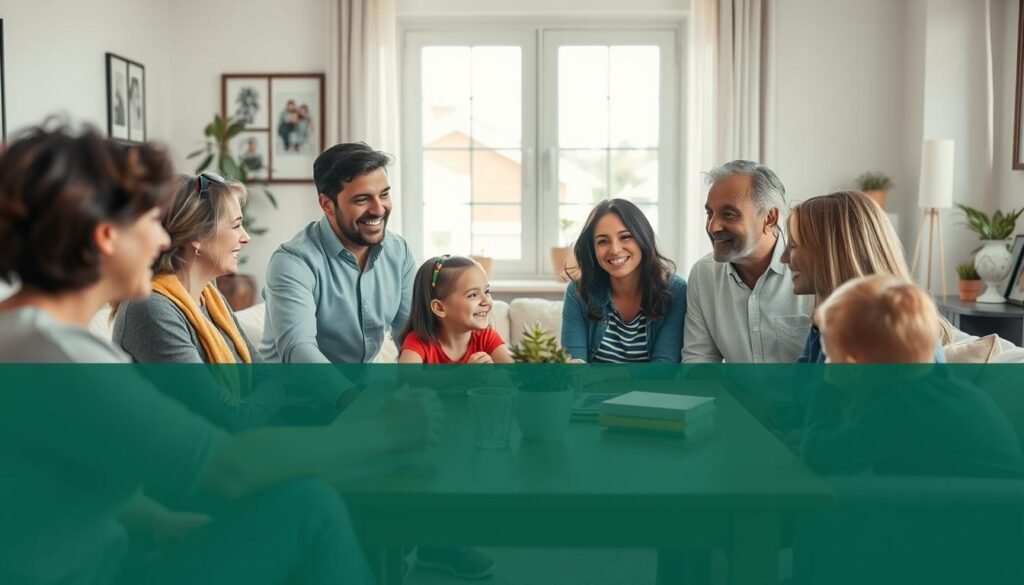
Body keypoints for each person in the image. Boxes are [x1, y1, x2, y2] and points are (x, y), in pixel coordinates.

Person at [0, 122, 442, 585]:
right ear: (107, 236)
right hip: (105, 572)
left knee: (307, 502)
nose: (162, 240)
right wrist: (385, 432)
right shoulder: (63, 359)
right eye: (151, 221)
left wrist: (159, 522)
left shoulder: (34, 339)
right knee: (310, 508)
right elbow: (227, 466)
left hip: (119, 551)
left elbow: (81, 461)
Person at [111, 172, 333, 431]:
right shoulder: (151, 309)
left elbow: (269, 376)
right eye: (236, 225)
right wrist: (267, 395)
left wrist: (265, 394)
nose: (245, 236)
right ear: (197, 236)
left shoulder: (209, 297)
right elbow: (228, 419)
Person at [801, 274, 1024, 477]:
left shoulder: (896, 408)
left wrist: (825, 387)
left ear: (854, 365)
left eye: (830, 356)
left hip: (986, 515)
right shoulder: (940, 390)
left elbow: (818, 458)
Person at [259, 142, 416, 365]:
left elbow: (411, 336)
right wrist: (353, 399)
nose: (379, 209)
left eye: (384, 195)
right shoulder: (293, 261)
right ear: (327, 205)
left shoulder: (399, 252)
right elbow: (299, 348)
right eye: (362, 199)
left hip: (364, 392)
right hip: (291, 395)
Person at [781, 190, 955, 363]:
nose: (783, 258)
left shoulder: (897, 335)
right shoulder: (823, 326)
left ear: (832, 253)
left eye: (793, 246)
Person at [683, 160, 813, 363]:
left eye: (729, 214)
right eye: (710, 213)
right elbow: (699, 360)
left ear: (769, 218)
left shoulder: (811, 269)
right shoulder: (703, 274)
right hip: (731, 397)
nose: (713, 226)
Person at [561, 199, 686, 362]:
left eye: (626, 237)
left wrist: (604, 377)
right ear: (592, 249)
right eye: (603, 241)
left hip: (649, 389)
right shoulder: (578, 292)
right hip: (589, 389)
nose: (614, 249)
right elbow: (573, 369)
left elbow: (663, 370)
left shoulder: (675, 291)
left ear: (643, 238)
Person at [399, 255, 513, 364]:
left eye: (487, 292)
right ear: (440, 308)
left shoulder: (487, 337)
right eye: (473, 295)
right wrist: (465, 376)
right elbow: (406, 384)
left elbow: (517, 377)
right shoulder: (417, 342)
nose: (486, 301)